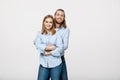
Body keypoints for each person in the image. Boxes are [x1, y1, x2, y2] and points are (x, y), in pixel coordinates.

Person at [34, 15, 63, 80]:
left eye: (50, 22)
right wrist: (52, 47)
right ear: (44, 23)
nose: (48, 24)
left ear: (53, 23)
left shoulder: (57, 34)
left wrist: (49, 53)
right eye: (46, 22)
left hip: (56, 64)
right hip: (44, 63)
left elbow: (60, 49)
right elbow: (37, 45)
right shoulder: (39, 34)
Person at [46, 9, 70, 80]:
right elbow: (44, 42)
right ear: (54, 16)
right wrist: (58, 47)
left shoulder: (66, 30)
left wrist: (52, 47)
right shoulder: (48, 26)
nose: (60, 17)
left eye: (62, 15)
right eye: (58, 14)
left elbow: (65, 46)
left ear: (64, 18)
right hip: (47, 58)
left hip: (59, 58)